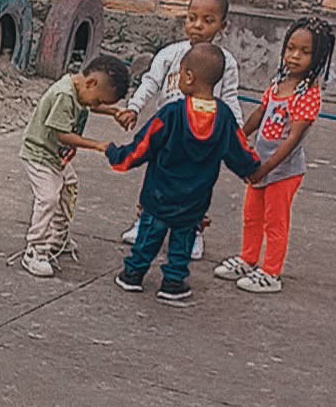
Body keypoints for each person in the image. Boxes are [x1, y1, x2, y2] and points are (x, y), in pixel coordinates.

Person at [105, 43, 262, 307]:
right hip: (195, 199)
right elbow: (239, 150)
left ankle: (133, 274)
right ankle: (173, 283)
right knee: (183, 241)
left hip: (159, 193)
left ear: (188, 77)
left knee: (148, 236)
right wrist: (252, 171)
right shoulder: (224, 117)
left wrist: (117, 156)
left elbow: (143, 146)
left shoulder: (172, 113)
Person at [114, 0, 243, 257]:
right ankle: (144, 223)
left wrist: (237, 132)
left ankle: (193, 232)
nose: (198, 25)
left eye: (208, 20)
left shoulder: (225, 63)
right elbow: (150, 82)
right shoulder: (170, 54)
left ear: (223, 26)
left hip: (203, 136)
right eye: (192, 18)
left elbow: (230, 97)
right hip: (168, 132)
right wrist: (134, 108)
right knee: (156, 180)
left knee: (198, 186)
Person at [215, 17, 336, 295]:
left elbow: (292, 140)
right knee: (251, 215)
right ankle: (248, 259)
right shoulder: (278, 83)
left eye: (304, 52)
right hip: (260, 165)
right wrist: (237, 137)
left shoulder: (308, 95)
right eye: (290, 48)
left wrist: (265, 168)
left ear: (318, 58)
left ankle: (271, 272)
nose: (294, 56)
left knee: (275, 221)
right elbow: (260, 113)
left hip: (283, 171)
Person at [15, 54, 135, 278]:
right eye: (99, 100)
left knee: (69, 187)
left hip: (56, 157)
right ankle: (35, 248)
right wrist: (96, 145)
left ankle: (57, 237)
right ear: (91, 83)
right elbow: (62, 135)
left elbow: (89, 105)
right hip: (39, 154)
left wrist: (113, 111)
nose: (96, 105)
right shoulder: (64, 95)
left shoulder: (80, 89)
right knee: (48, 198)